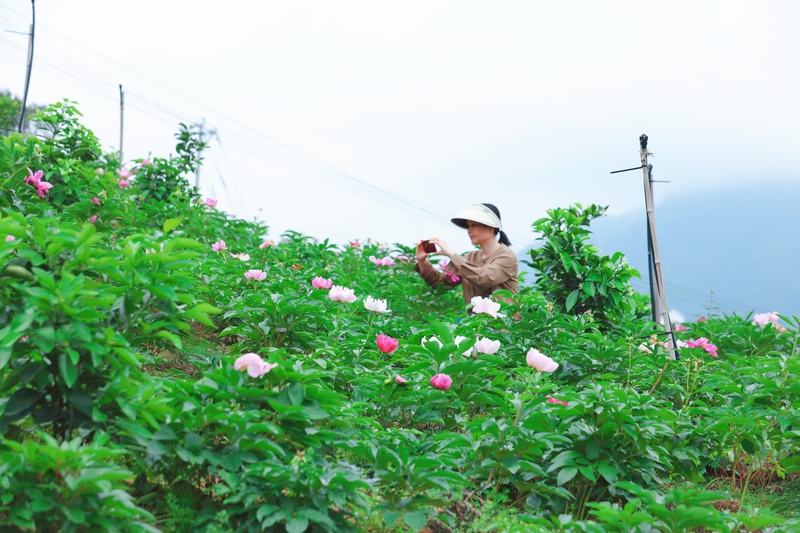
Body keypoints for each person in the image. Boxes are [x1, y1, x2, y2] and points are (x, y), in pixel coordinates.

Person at [415, 203, 518, 305]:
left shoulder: (506, 256)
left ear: (490, 228)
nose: (469, 230)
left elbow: (483, 279)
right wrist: (422, 261)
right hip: (477, 321)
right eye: (468, 226)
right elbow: (440, 284)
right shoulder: (471, 257)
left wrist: (451, 254)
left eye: (474, 225)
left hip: (504, 321)